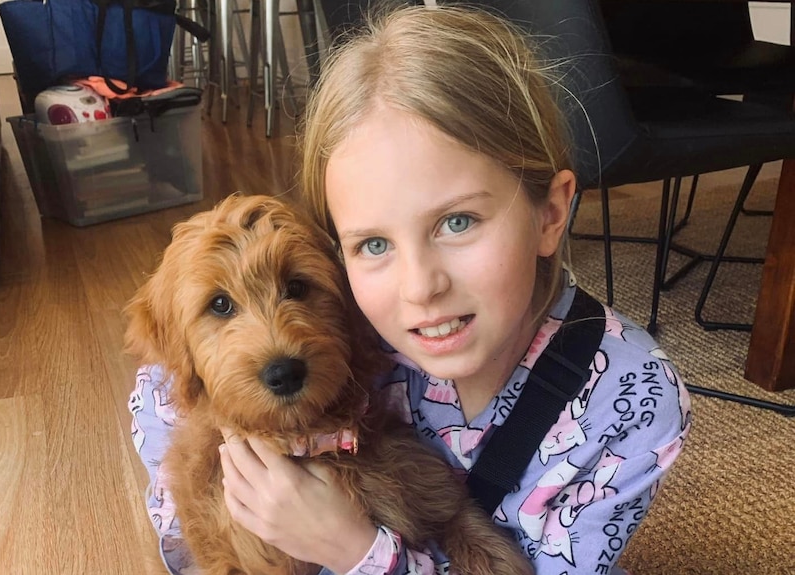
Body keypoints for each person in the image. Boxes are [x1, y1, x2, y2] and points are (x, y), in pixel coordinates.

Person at [129, 5, 692, 575]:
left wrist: (354, 551)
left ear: (550, 212)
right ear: (339, 253)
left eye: (458, 222)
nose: (420, 288)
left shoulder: (630, 400)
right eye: (373, 244)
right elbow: (159, 388)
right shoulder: (359, 318)